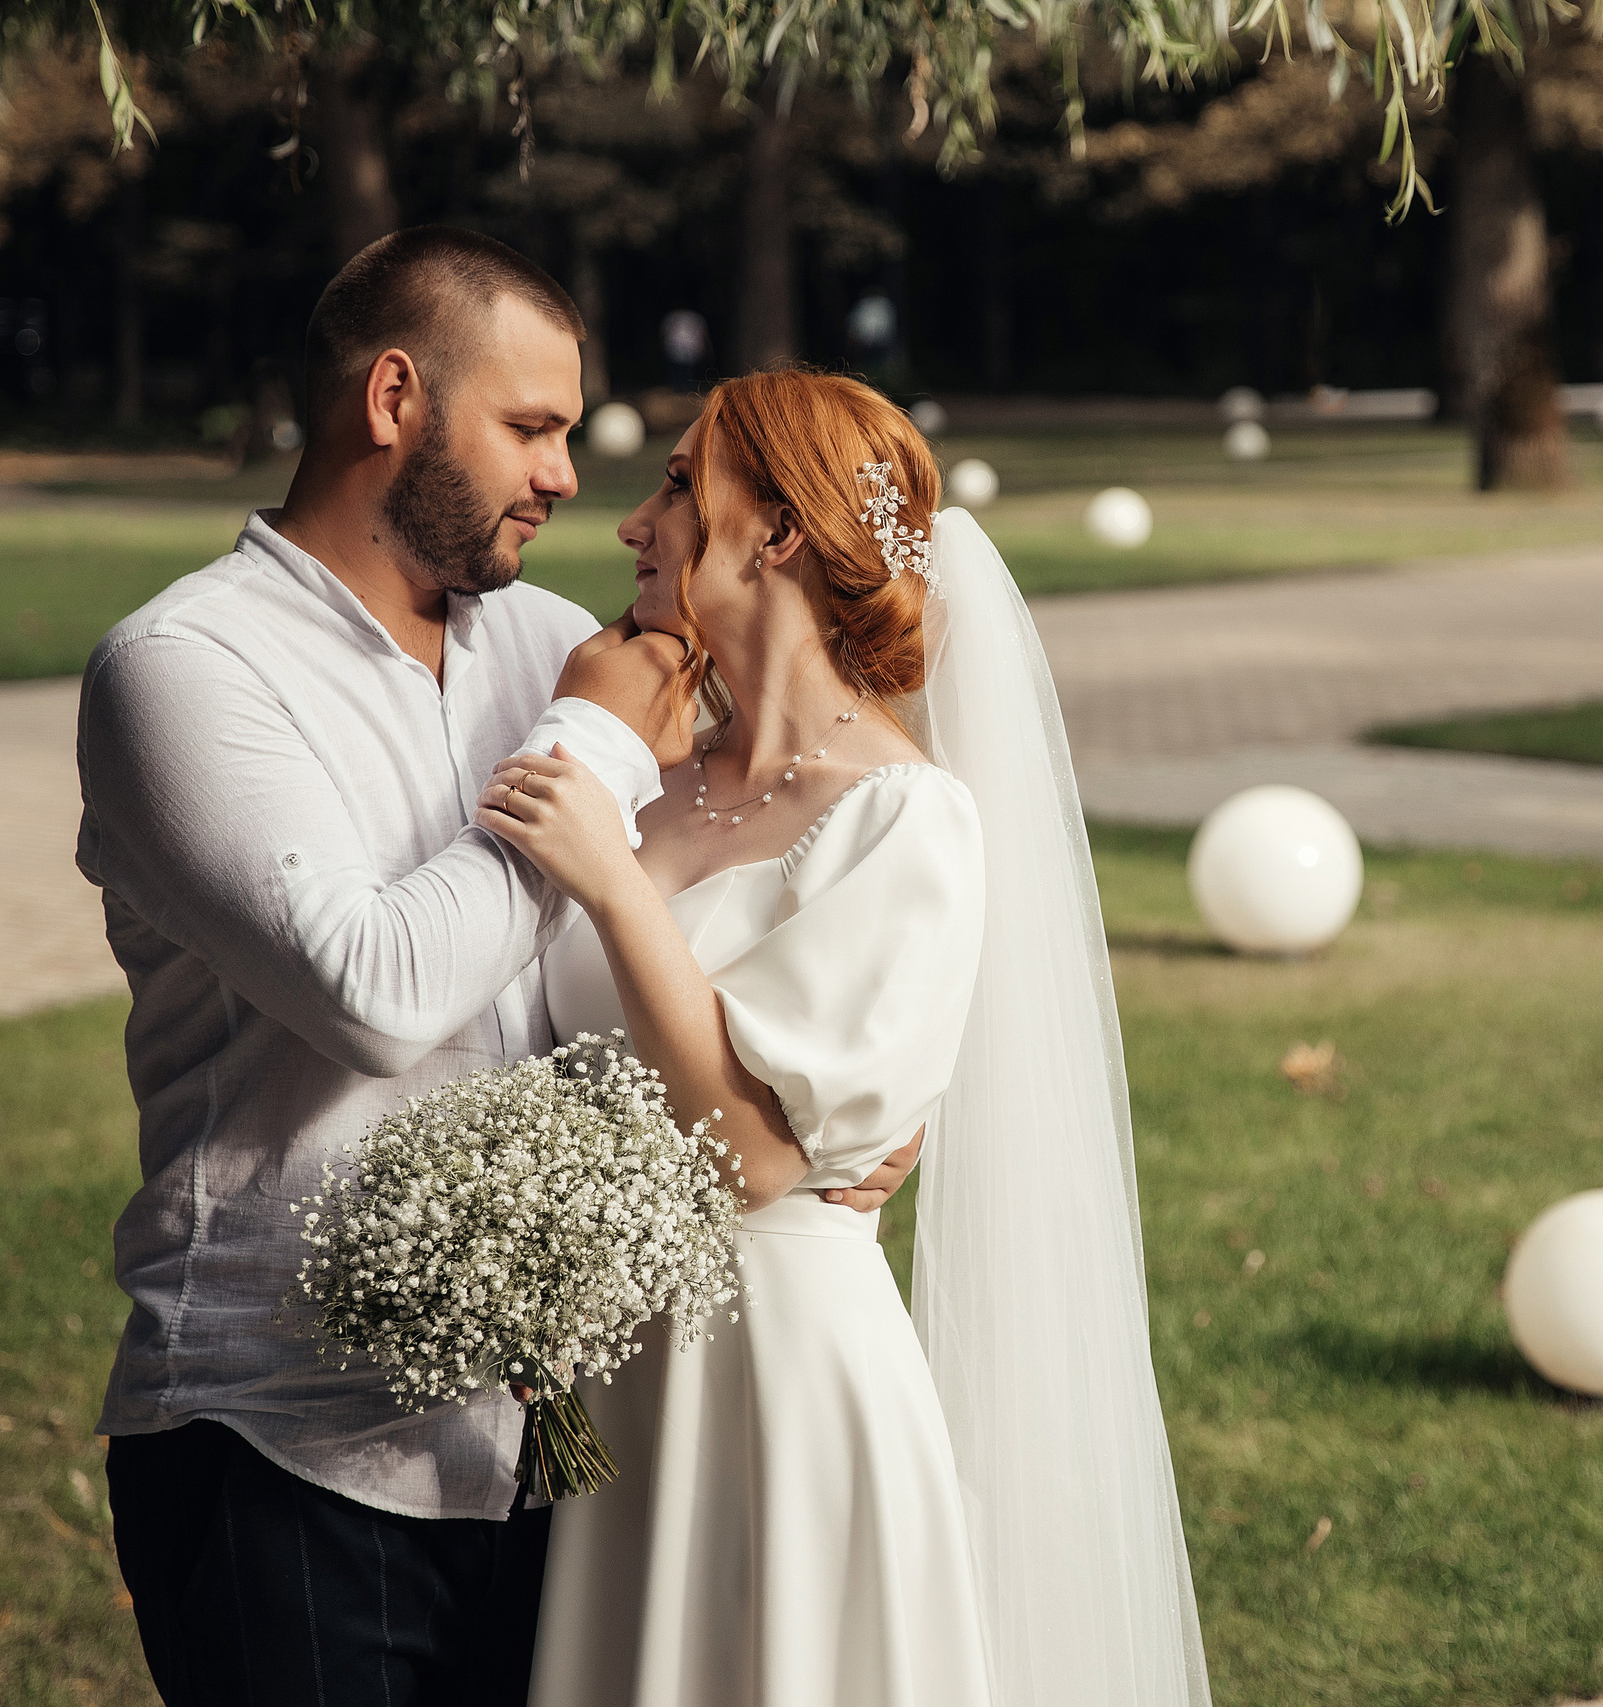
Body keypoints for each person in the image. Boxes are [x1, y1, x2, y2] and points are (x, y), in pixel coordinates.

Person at [78, 229, 923, 1706]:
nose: (566, 477)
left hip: (561, 1443)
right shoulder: (186, 671)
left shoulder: (550, 640)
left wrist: (843, 1102)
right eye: (530, 427)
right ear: (393, 398)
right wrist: (588, 743)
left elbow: (781, 828)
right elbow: (377, 992)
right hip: (284, 1439)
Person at [478, 368, 1213, 1707]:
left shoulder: (904, 820)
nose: (633, 523)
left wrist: (614, 886)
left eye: (678, 488)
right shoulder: (641, 778)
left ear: (778, 531)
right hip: (612, 1387)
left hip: (775, 1380)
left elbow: (759, 1163)